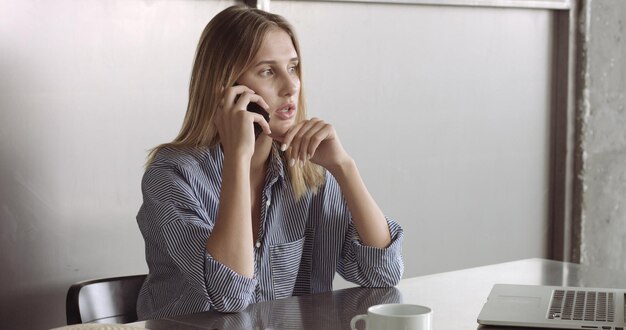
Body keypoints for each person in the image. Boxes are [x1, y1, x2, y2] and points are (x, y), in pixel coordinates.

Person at [136, 5, 404, 320]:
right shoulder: (172, 175)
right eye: (268, 71)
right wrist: (238, 155)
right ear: (226, 87)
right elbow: (229, 293)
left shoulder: (308, 172)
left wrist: (344, 167)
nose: (290, 86)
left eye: (293, 67)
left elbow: (384, 274)